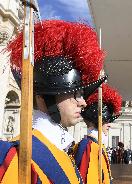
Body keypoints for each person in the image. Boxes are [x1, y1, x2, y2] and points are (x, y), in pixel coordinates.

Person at [0, 20, 106, 183]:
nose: (83, 103)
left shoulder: (61, 151)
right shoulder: (16, 158)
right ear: (45, 96)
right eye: (75, 94)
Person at [74, 84, 122, 184]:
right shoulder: (89, 147)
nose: (109, 125)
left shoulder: (96, 145)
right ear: (98, 120)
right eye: (107, 121)